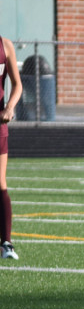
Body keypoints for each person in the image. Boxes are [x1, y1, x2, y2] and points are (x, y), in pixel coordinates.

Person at [0, 34, 22, 260]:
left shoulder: (5, 46)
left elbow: (17, 85)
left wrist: (10, 107)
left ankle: (6, 243)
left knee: (0, 182)